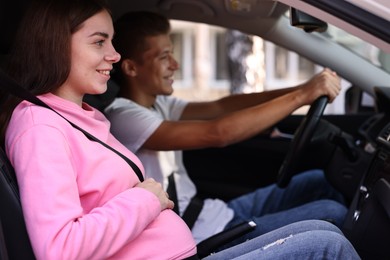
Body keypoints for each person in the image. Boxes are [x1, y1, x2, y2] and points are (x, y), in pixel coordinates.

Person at [0, 1, 362, 259]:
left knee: (325, 228)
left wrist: (299, 93)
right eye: (99, 42)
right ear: (55, 46)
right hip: (195, 237)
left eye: (112, 41)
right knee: (328, 237)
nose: (113, 54)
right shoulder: (41, 126)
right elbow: (60, 249)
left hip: (186, 237)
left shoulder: (78, 117)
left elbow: (220, 108)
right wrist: (146, 199)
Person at [104, 10, 348, 248]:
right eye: (164, 57)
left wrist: (300, 89)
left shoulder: (157, 103)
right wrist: (302, 96)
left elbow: (221, 106)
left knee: (318, 181)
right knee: (331, 212)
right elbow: (217, 133)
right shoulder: (124, 116)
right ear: (131, 68)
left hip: (211, 214)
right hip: (199, 234)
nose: (175, 64)